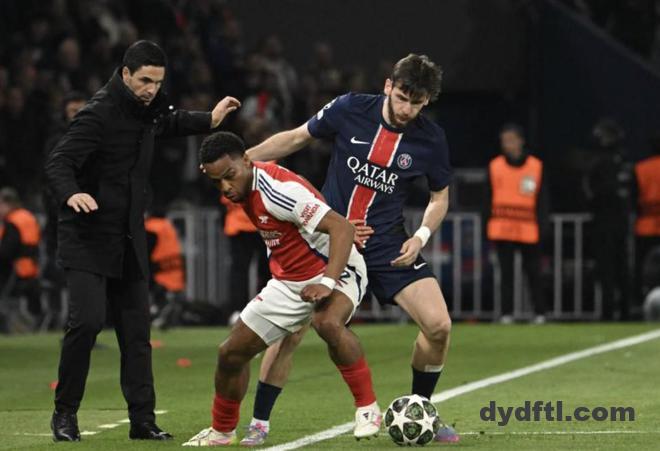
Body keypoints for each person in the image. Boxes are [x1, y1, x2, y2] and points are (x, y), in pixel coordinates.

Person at [244, 53, 459, 445]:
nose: (407, 109)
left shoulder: (431, 139)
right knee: (290, 333)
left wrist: (421, 237)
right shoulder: (350, 109)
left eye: (417, 103)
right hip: (329, 240)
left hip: (386, 245)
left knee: (439, 326)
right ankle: (259, 424)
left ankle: (421, 409)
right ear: (388, 86)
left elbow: (439, 197)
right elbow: (296, 137)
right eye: (402, 98)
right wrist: (240, 163)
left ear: (427, 101)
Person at [45, 40, 240, 442]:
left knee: (137, 334)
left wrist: (210, 119)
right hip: (87, 236)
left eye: (158, 82)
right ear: (125, 74)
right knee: (86, 323)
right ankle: (64, 414)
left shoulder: (146, 110)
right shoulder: (97, 114)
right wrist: (71, 193)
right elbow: (59, 161)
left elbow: (169, 122)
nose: (152, 89)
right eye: (145, 81)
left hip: (128, 238)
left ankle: (142, 421)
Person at [183, 132, 381, 446]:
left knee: (327, 323)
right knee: (231, 353)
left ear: (247, 160)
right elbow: (308, 200)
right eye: (217, 181)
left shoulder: (276, 192)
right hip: (288, 282)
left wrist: (327, 282)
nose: (225, 187)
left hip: (337, 269)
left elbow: (341, 228)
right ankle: (222, 432)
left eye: (230, 176)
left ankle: (368, 409)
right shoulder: (246, 182)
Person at [487, 123, 548, 324]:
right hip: (502, 228)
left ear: (521, 141)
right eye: (504, 141)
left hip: (528, 229)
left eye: (511, 140)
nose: (508, 145)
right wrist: (486, 225)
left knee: (534, 274)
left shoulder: (535, 166)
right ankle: (507, 314)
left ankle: (540, 313)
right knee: (506, 275)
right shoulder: (495, 166)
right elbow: (487, 199)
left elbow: (543, 201)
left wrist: (543, 227)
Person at [583, 118, 633, 320]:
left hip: (610, 221)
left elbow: (592, 193)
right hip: (611, 220)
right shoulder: (617, 162)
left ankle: (618, 311)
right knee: (612, 268)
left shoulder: (609, 162)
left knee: (614, 268)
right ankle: (616, 310)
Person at [0, 187, 42, 332]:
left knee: (9, 302)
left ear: (7, 203)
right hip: (31, 267)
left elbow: (7, 251)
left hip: (15, 269)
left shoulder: (13, 221)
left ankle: (11, 329)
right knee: (28, 304)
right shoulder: (28, 217)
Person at [145, 208, 185, 329]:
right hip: (174, 273)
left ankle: (156, 314)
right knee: (168, 299)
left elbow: (145, 254)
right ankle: (163, 314)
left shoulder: (150, 228)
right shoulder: (168, 226)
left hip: (159, 274)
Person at [633, 135, 660, 309]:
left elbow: (634, 200)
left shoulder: (641, 168)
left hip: (646, 226)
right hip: (649, 224)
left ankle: (640, 303)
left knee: (644, 270)